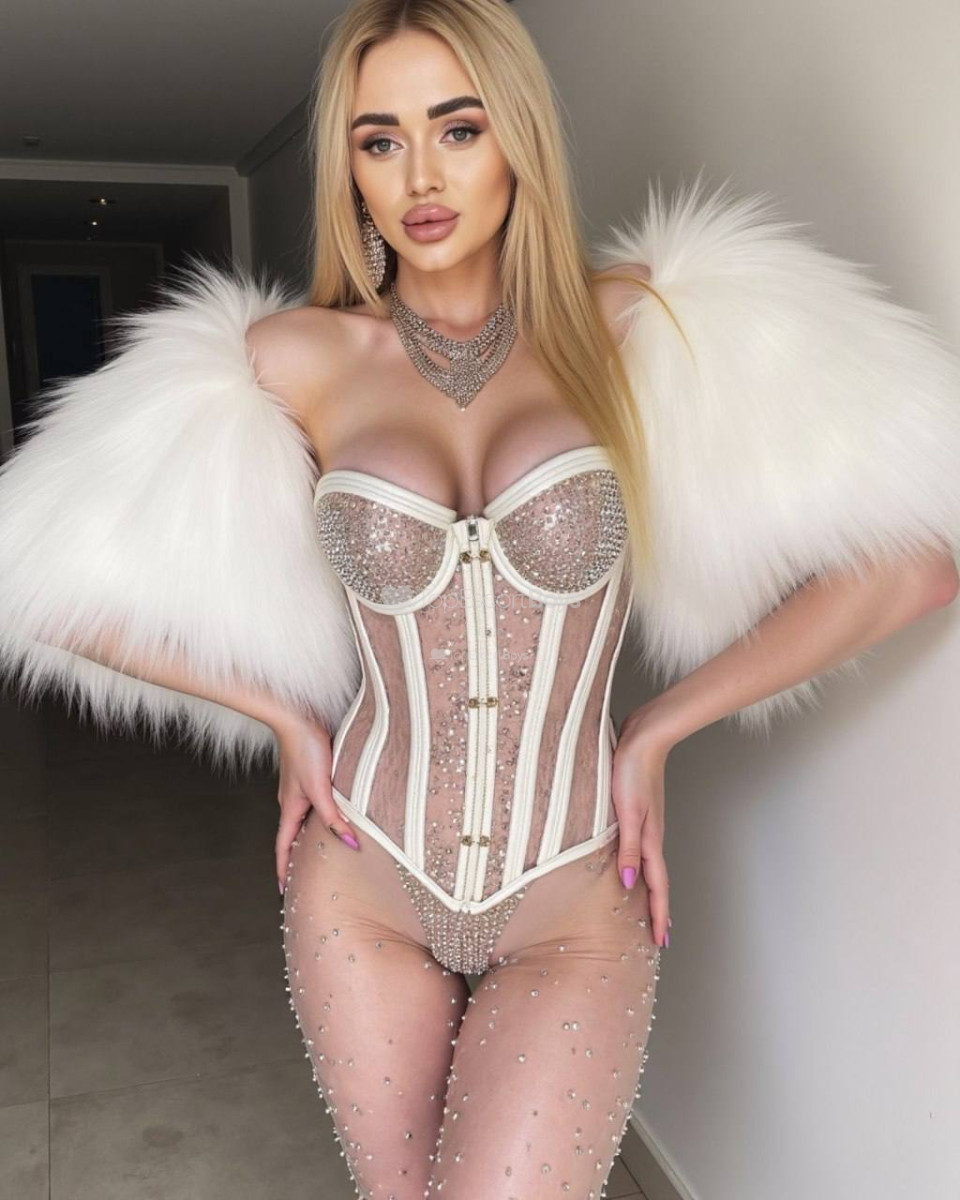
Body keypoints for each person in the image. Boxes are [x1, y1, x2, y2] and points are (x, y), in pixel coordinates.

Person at [2, 1, 959, 1196]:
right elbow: (37, 580)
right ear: (348, 166)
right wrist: (282, 715)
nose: (420, 176)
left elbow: (917, 559)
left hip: (577, 891)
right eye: (380, 139)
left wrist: (659, 727)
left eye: (457, 128)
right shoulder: (289, 359)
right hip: (362, 880)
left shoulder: (646, 328)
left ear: (519, 138)